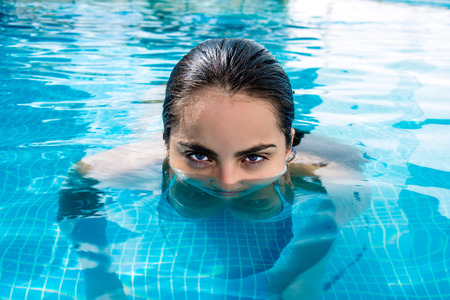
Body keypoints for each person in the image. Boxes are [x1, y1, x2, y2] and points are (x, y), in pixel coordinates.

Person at [58, 38, 370, 299]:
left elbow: (353, 188)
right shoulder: (139, 161)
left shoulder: (314, 167)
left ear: (289, 146)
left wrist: (303, 271)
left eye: (253, 157)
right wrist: (99, 277)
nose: (227, 181)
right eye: (199, 156)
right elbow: (83, 177)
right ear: (166, 143)